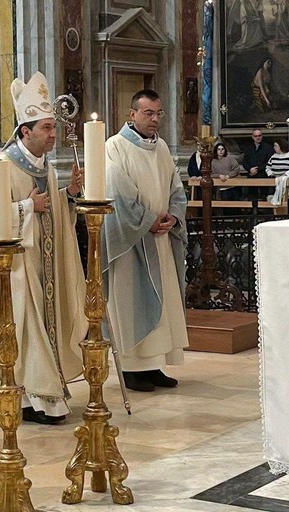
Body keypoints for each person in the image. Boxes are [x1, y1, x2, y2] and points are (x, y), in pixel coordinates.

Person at [0, 71, 87, 425]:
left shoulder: (46, 168)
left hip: (45, 263)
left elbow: (50, 211)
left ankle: (33, 396)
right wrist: (24, 209)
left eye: (54, 127)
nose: (54, 134)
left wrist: (67, 196)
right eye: (47, 129)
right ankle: (41, 399)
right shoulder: (0, 166)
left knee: (43, 325)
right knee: (26, 326)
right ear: (25, 131)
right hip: (17, 267)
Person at [102, 89, 189, 393]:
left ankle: (154, 365)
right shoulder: (114, 147)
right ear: (132, 114)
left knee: (164, 302)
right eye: (148, 113)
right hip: (131, 240)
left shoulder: (162, 147)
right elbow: (117, 192)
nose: (154, 120)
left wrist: (173, 217)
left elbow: (176, 187)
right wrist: (149, 219)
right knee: (129, 302)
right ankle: (130, 369)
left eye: (158, 113)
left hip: (160, 236)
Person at [243, 128, 274, 199]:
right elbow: (245, 162)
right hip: (251, 176)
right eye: (256, 136)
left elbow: (270, 162)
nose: (258, 137)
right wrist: (250, 169)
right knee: (252, 198)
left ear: (262, 136)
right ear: (252, 137)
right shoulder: (248, 148)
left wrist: (257, 169)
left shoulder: (268, 148)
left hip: (264, 176)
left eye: (259, 135)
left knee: (264, 197)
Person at [266, 138, 289, 205]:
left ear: (281, 146)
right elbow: (268, 167)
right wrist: (270, 173)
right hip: (275, 179)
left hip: (286, 180)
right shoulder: (273, 156)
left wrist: (286, 174)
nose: (274, 147)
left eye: (276, 146)